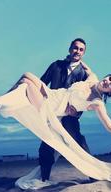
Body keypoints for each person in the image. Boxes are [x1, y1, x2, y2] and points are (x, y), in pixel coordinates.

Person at [0, 56, 111, 190]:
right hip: (51, 94)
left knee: (28, 86)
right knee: (26, 76)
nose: (108, 82)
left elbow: (110, 126)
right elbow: (83, 63)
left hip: (51, 107)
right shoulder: (92, 78)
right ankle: (1, 97)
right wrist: (75, 56)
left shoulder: (96, 102)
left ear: (110, 92)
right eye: (110, 78)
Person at [38, 38, 91, 182]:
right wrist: (43, 101)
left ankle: (93, 175)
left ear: (84, 53)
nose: (77, 51)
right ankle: (44, 179)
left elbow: (88, 97)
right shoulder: (56, 65)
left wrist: (78, 112)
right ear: (69, 49)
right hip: (53, 112)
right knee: (46, 145)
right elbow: (41, 84)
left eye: (81, 49)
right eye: (75, 48)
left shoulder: (85, 74)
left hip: (70, 116)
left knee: (78, 142)